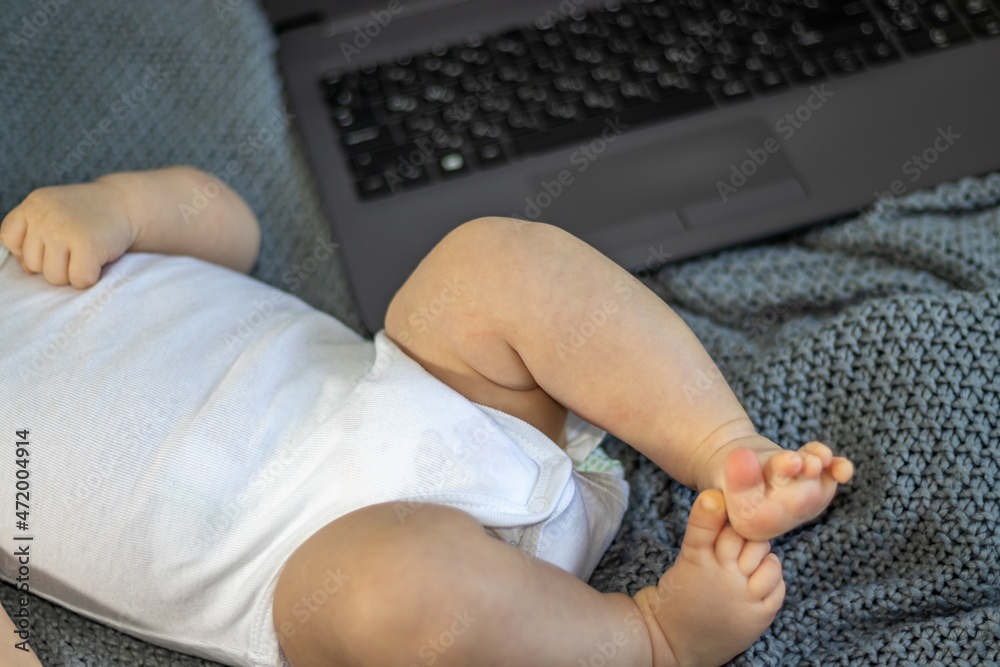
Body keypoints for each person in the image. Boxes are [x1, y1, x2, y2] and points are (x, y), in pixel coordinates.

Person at [0, 166, 853, 667]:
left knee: (489, 262)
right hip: (312, 568)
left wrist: (114, 202)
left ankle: (726, 448)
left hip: (430, 395)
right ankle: (651, 637)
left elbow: (230, 226)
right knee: (397, 586)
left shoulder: (29, 242)